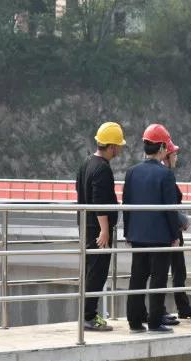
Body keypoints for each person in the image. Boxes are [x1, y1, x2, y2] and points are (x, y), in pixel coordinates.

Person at [123, 124, 180, 333]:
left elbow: (126, 204)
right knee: (158, 279)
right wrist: (175, 235)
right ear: (163, 147)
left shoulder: (132, 172)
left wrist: (127, 232)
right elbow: (170, 209)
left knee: (137, 277)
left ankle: (134, 321)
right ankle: (155, 322)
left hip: (137, 235)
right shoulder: (165, 175)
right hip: (160, 236)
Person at [75, 122, 125, 331]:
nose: (120, 149)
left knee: (90, 271)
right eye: (118, 145)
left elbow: (81, 192)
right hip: (97, 230)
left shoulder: (86, 163)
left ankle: (87, 314)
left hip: (86, 225)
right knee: (97, 273)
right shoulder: (102, 168)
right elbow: (99, 202)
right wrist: (104, 230)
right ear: (111, 146)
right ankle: (89, 317)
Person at [161, 141, 191, 320]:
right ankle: (168, 309)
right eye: (174, 154)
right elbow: (169, 205)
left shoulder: (166, 174)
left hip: (172, 228)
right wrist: (179, 223)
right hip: (169, 231)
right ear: (167, 156)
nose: (176, 158)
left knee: (178, 270)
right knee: (167, 271)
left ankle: (183, 307)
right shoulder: (165, 175)